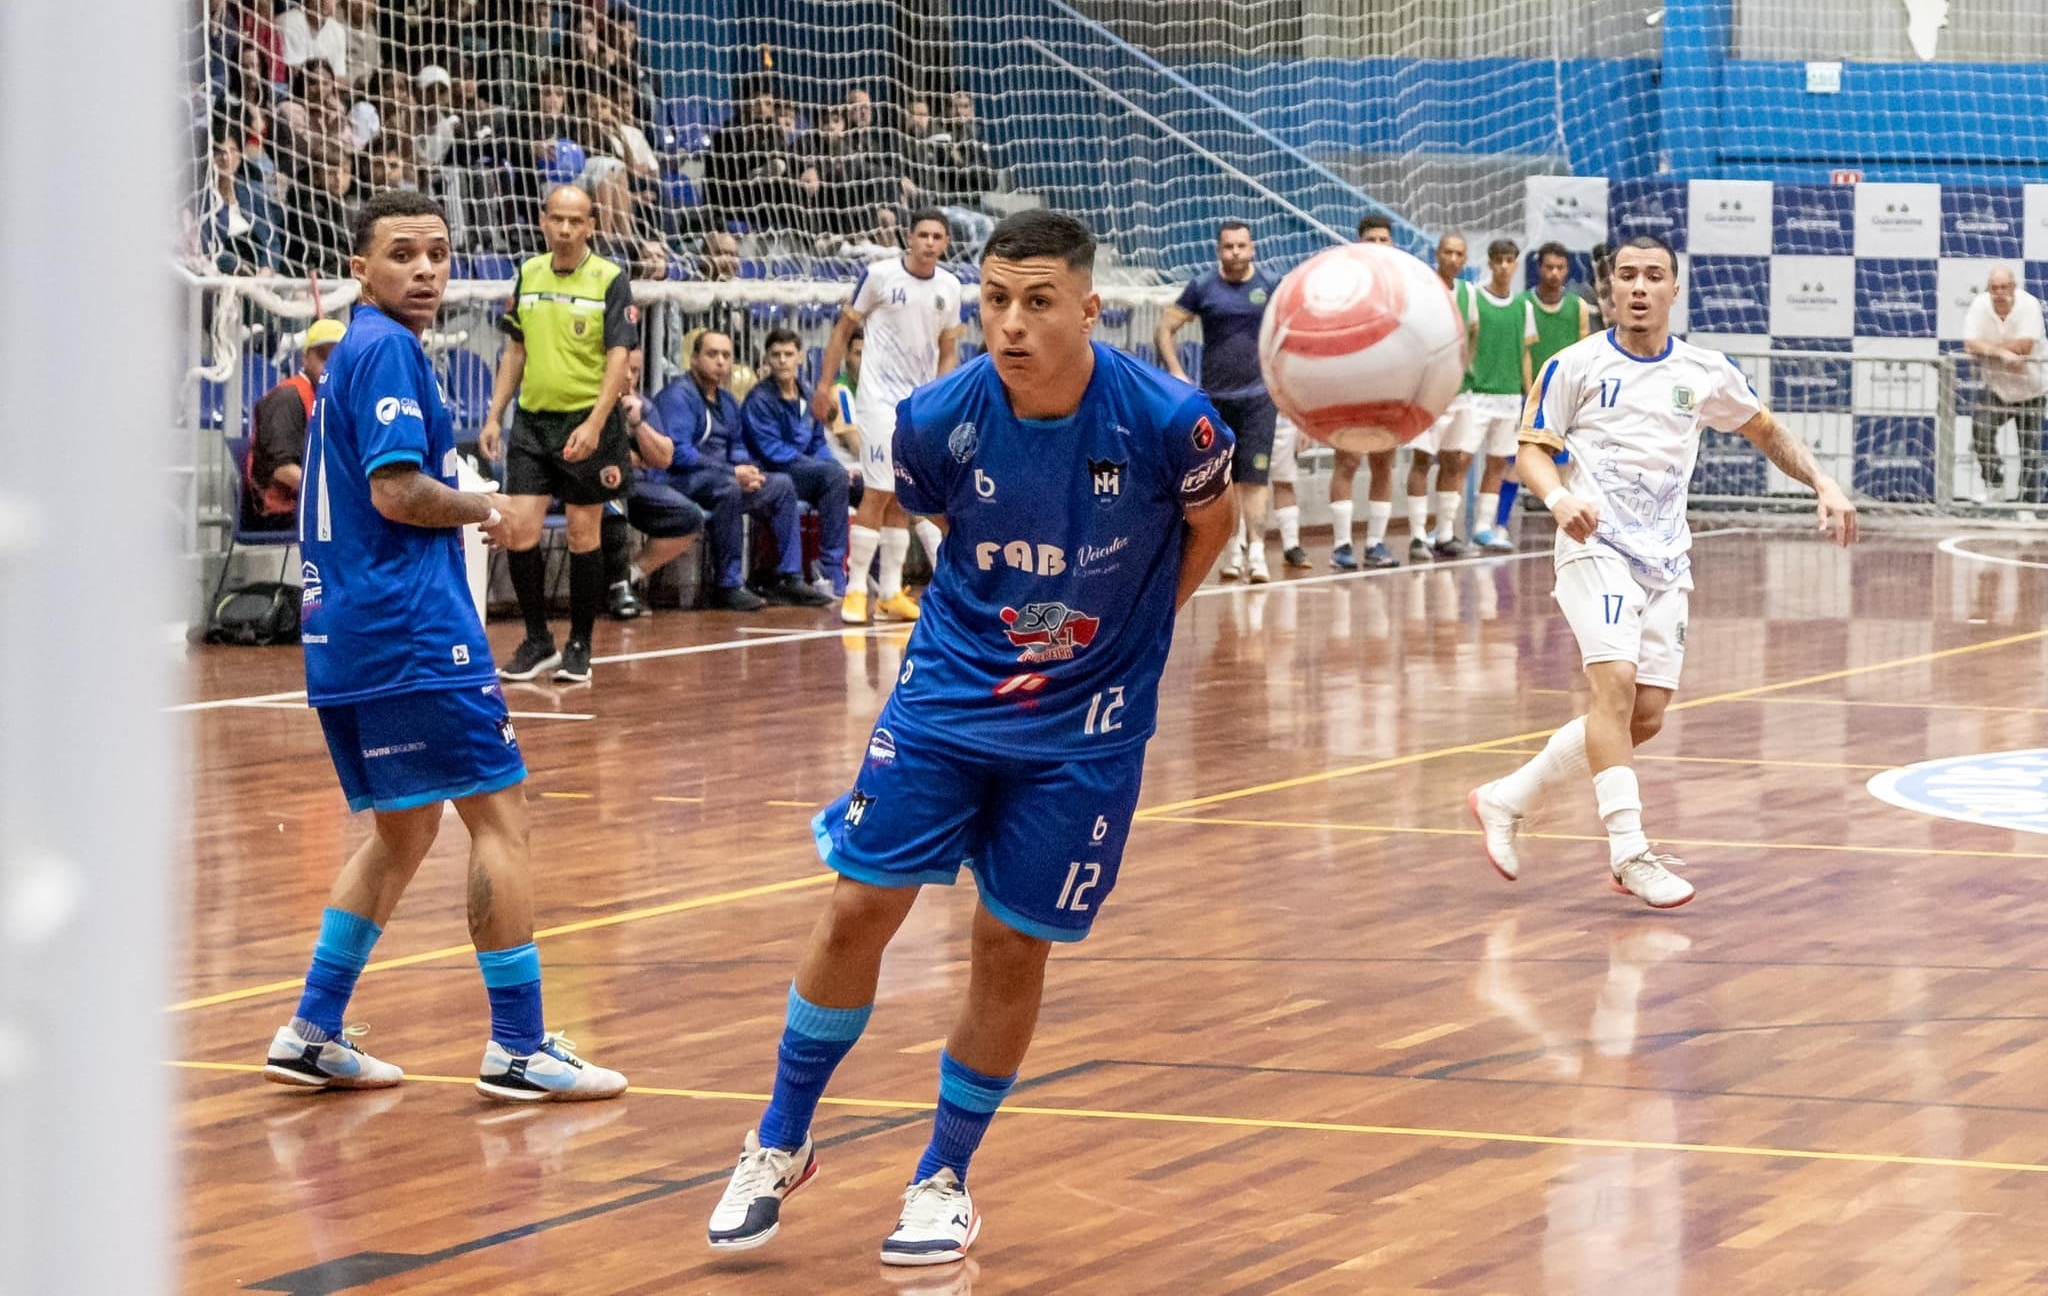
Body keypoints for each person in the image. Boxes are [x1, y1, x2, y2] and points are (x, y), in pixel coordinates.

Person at [705, 208, 1239, 1267]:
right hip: (947, 697)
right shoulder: (935, 420)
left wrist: (1130, 639)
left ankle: (941, 1177)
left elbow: (1212, 528)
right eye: (994, 300)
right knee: (857, 905)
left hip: (1086, 725)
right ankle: (777, 1140)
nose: (1010, 323)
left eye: (1037, 302)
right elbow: (947, 529)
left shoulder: (1172, 422)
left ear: (1089, 307)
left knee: (1007, 943)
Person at [266, 188, 626, 1102]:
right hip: (409, 630)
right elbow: (396, 493)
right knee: (500, 819)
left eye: (437, 252)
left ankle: (311, 1029)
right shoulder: (385, 348)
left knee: (404, 829)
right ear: (360, 267)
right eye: (402, 254)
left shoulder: (359, 348)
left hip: (344, 631)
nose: (424, 268)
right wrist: (487, 508)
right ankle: (519, 1044)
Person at [1468, 235, 1858, 909]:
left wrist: (1822, 481)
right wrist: (1560, 500)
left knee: (1641, 717)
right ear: (1610, 289)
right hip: (1594, 545)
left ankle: (1507, 798)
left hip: (1667, 559)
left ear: (1676, 291)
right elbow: (1532, 451)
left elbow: (1765, 431)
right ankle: (1629, 852)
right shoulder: (1574, 365)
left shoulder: (1705, 371)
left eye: (1654, 276)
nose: (1640, 287)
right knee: (1613, 685)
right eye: (1628, 276)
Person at [479, 184, 639, 686]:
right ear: (543, 220)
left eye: (577, 221)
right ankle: (537, 640)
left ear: (592, 225)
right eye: (558, 219)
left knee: (581, 533)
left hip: (588, 423)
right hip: (532, 422)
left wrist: (595, 424)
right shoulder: (527, 273)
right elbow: (515, 351)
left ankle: (580, 646)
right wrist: (493, 415)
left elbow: (620, 357)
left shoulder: (611, 279)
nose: (566, 229)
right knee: (519, 529)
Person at [811, 208, 964, 624]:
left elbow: (949, 349)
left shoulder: (951, 287)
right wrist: (824, 384)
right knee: (879, 488)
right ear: (908, 238)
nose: (930, 242)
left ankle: (891, 592)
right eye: (923, 235)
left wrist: (941, 399)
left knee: (904, 493)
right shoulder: (879, 276)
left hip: (919, 402)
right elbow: (843, 331)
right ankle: (857, 588)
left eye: (938, 236)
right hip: (877, 398)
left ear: (945, 243)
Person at [652, 330, 829, 610]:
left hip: (721, 478)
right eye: (712, 354)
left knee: (781, 484)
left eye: (726, 355)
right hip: (679, 481)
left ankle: (788, 578)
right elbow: (677, 453)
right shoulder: (679, 396)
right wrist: (730, 473)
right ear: (694, 359)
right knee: (729, 488)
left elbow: (737, 446)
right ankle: (728, 584)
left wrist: (747, 469)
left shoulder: (727, 401)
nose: (720, 362)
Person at [1156, 219, 1280, 582]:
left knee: (1255, 479)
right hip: (1215, 402)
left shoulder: (1271, 285)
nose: (1236, 252)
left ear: (1252, 248)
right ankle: (1232, 552)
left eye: (1242, 246)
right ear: (1218, 250)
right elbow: (1165, 327)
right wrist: (1177, 371)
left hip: (1259, 398)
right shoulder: (1203, 287)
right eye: (1229, 247)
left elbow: (1292, 333)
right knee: (1221, 481)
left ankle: (1257, 555)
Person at [743, 328, 853, 597]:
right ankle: (830, 567)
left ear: (800, 357)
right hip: (774, 470)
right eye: (775, 355)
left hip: (806, 471)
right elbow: (772, 451)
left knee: (856, 481)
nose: (782, 360)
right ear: (767, 360)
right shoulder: (758, 399)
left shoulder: (808, 394)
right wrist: (826, 470)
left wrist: (835, 467)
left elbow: (818, 443)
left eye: (788, 354)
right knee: (832, 477)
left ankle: (858, 570)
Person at [602, 350, 703, 620]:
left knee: (690, 516)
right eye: (624, 368)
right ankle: (615, 586)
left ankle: (628, 576)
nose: (628, 377)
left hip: (639, 488)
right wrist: (627, 458)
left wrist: (637, 423)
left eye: (635, 371)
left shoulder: (642, 405)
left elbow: (661, 459)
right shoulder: (584, 402)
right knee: (611, 493)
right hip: (595, 487)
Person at [1333, 213, 1405, 569]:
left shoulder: (1406, 286)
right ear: (1358, 244)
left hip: (1389, 384)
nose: (1378, 247)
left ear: (1393, 245)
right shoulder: (1344, 284)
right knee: (1346, 460)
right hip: (1350, 383)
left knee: (1384, 463)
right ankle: (1341, 545)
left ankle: (1376, 543)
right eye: (1371, 240)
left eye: (1384, 241)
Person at [1404, 232, 1477, 561]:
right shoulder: (1424, 290)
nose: (1453, 259)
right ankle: (1418, 535)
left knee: (1454, 461)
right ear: (1437, 254)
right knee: (1422, 461)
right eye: (1447, 252)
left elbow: (1473, 331)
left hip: (1459, 393)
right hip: (1429, 394)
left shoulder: (1469, 293)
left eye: (1459, 253)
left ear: (1465, 258)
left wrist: (1465, 367)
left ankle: (1445, 532)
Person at [246, 318, 347, 524]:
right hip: (281, 511)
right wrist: (338, 495)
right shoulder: (287, 398)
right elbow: (283, 471)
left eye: (338, 359)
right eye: (322, 356)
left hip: (312, 504)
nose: (329, 366)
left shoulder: (338, 399)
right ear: (304, 358)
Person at [1962, 265, 2048, 504]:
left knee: (2029, 451)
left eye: (2004, 287)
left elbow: (2024, 347)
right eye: (1994, 288)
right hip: (1998, 387)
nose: (1999, 292)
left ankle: (2027, 504)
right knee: (1980, 431)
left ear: (2013, 287)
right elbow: (1970, 345)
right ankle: (1995, 483)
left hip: (2032, 388)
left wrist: (1988, 348)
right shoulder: (1980, 305)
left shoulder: (2028, 304)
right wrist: (2001, 352)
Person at [1464, 237, 1528, 555]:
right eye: (1498, 260)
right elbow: (1466, 343)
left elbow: (1526, 354)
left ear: (1516, 264)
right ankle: (1444, 528)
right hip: (1477, 394)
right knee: (1459, 459)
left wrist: (1529, 393)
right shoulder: (1475, 298)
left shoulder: (1523, 305)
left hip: (1509, 397)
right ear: (1490, 263)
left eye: (1509, 260)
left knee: (1497, 464)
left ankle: (1483, 527)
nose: (1504, 266)